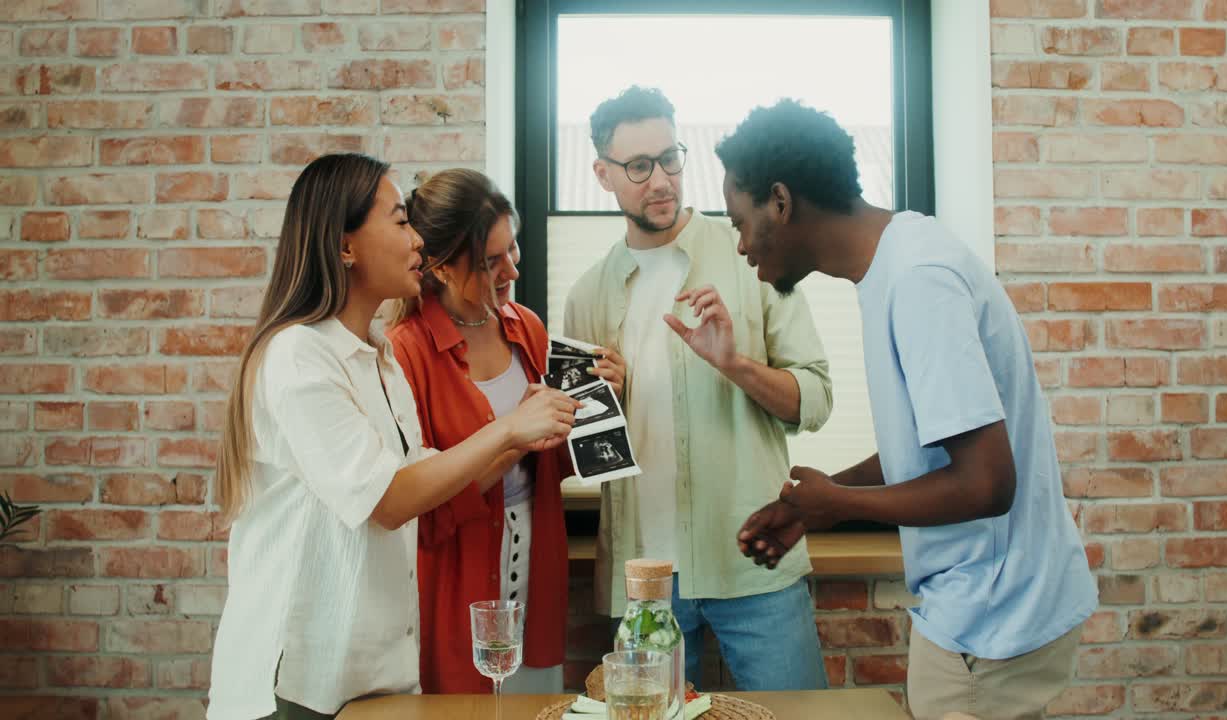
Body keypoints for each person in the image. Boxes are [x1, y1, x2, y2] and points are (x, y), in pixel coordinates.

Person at [727, 101, 1097, 720]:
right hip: (986, 612)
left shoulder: (918, 280)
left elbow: (986, 483)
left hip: (989, 622)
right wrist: (812, 502)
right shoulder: (897, 260)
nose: (740, 245)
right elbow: (931, 446)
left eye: (741, 222)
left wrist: (836, 506)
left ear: (782, 203)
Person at [207, 154, 577, 719]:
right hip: (299, 681)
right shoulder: (298, 356)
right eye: (401, 221)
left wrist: (516, 441)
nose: (417, 244)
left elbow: (429, 475)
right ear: (345, 246)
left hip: (368, 676)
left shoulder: (377, 357)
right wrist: (506, 429)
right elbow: (386, 500)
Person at [563, 87, 833, 691]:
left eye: (671, 158)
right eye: (638, 166)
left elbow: (815, 397)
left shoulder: (751, 256)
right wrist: (606, 404)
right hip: (646, 584)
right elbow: (589, 454)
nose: (661, 180)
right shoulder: (585, 297)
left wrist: (736, 364)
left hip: (753, 566)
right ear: (603, 174)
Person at [386, 169, 592, 695]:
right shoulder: (405, 352)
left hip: (537, 558)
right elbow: (424, 507)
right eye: (491, 262)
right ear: (443, 269)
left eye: (514, 249)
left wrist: (596, 400)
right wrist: (513, 435)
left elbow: (554, 463)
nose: (513, 270)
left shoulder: (527, 328)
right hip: (459, 573)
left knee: (534, 700)